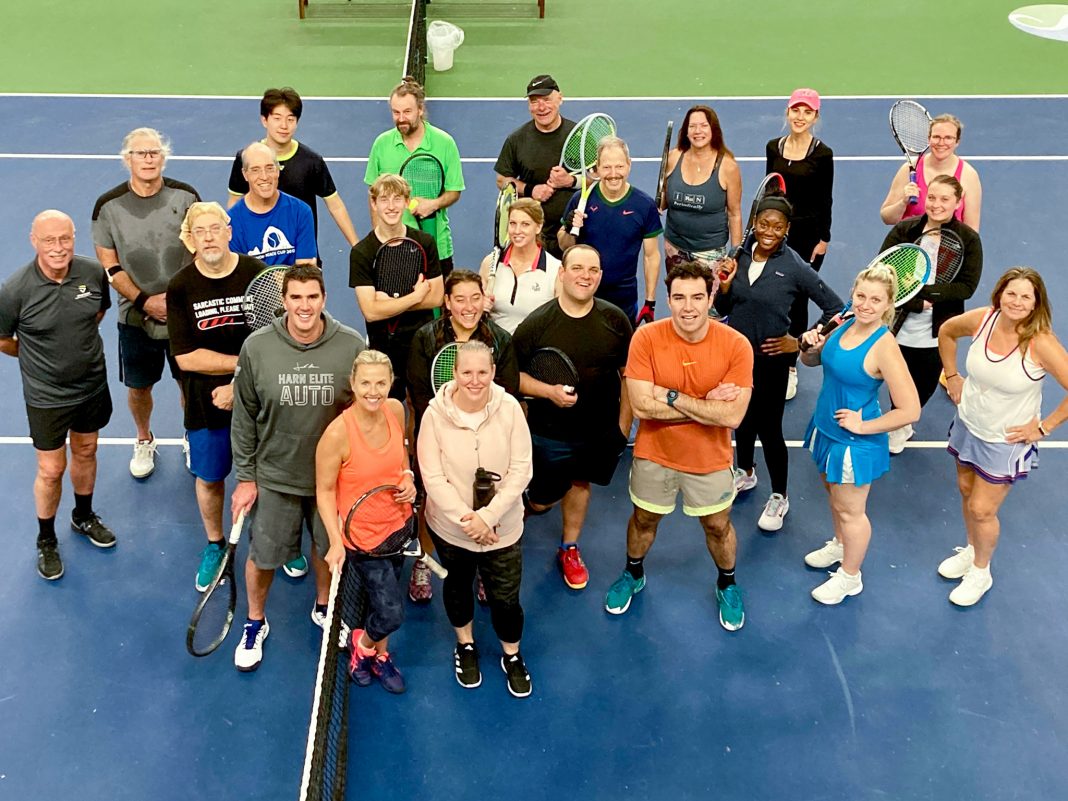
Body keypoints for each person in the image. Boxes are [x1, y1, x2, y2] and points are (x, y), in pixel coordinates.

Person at [230, 265, 366, 671]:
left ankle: (324, 608)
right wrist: (245, 477)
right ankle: (255, 622)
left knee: (328, 552)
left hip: (332, 479)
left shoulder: (351, 345)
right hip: (275, 476)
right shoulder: (256, 347)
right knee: (263, 557)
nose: (304, 306)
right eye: (296, 298)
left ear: (323, 299)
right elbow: (244, 417)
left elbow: (364, 413)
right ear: (284, 301)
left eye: (312, 297)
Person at [607, 261, 753, 630]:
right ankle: (633, 572)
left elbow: (732, 417)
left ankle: (727, 583)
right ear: (668, 300)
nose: (688, 307)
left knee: (718, 527)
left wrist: (670, 395)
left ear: (710, 298)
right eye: (679, 298)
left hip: (710, 459)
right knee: (643, 520)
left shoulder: (736, 345)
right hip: (655, 455)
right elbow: (641, 405)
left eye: (697, 298)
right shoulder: (646, 338)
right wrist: (707, 403)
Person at [936, 268, 1068, 606]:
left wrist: (1043, 427)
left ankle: (981, 571)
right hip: (969, 424)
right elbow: (947, 331)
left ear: (1037, 303)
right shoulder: (983, 320)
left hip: (1006, 441)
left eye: (1026, 296)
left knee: (982, 509)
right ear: (1000, 294)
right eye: (1012, 293)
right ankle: (971, 548)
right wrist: (952, 375)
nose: (1017, 301)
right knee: (966, 491)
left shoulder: (1041, 343)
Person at [715, 195, 842, 532]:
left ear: (787, 229)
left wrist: (799, 340)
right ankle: (745, 472)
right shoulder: (737, 256)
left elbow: (837, 310)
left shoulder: (796, 266)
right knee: (739, 417)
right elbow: (725, 305)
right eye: (763, 223)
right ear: (754, 223)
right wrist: (724, 285)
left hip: (772, 360)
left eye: (777, 226)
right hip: (736, 356)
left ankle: (779, 496)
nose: (768, 231)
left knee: (769, 429)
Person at [0, 210, 114, 580]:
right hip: (46, 396)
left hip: (91, 384)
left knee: (86, 450)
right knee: (51, 470)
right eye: (49, 240)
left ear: (74, 237)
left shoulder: (92, 273)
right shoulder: (14, 290)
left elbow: (95, 315)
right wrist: (40, 358)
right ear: (34, 241)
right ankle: (46, 539)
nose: (58, 247)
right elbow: (5, 340)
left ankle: (82, 516)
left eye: (64, 238)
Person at [416, 341, 534, 697]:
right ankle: (465, 644)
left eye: (482, 372)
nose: (474, 380)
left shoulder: (511, 408)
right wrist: (469, 520)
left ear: (493, 372)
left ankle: (511, 655)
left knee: (506, 600)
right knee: (457, 587)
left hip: (503, 530)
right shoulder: (433, 415)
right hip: (452, 531)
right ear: (454, 374)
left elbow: (521, 469)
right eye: (466, 372)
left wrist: (489, 517)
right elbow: (432, 478)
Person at [799, 264, 920, 605]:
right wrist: (809, 347)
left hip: (853, 441)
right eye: (861, 296)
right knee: (835, 496)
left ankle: (851, 577)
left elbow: (910, 410)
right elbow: (812, 362)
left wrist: (862, 426)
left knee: (852, 511)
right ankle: (840, 545)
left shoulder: (885, 347)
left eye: (875, 299)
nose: (866, 304)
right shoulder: (846, 322)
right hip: (826, 428)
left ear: (888, 304)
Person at [513, 245, 632, 589]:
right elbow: (513, 376)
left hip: (598, 431)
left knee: (580, 483)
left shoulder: (615, 320)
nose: (585, 275)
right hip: (549, 432)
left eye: (593, 270)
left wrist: (622, 428)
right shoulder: (536, 325)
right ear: (561, 274)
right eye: (577, 268)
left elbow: (630, 375)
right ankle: (526, 507)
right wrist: (548, 392)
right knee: (543, 497)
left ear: (600, 277)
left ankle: (569, 546)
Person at [92, 127, 200, 479]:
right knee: (140, 387)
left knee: (189, 382)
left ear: (163, 157)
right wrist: (144, 300)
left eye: (154, 152)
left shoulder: (186, 197)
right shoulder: (107, 206)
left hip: (185, 312)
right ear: (127, 160)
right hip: (134, 316)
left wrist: (175, 299)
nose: (148, 159)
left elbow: (202, 248)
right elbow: (110, 265)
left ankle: (191, 434)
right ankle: (143, 438)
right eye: (141, 153)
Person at [405, 270, 520, 603]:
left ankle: (485, 568)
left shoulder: (499, 340)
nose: (468, 307)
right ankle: (424, 562)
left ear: (484, 299)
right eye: (459, 299)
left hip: (488, 437)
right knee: (432, 499)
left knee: (486, 500)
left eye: (475, 298)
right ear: (447, 303)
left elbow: (508, 396)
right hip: (440, 435)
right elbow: (420, 397)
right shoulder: (426, 339)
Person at [166, 202, 264, 592]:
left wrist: (239, 385)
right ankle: (214, 543)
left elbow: (277, 341)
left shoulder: (257, 274)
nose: (208, 237)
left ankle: (279, 540)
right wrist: (243, 364)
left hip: (257, 397)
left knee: (269, 475)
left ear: (228, 231)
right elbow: (187, 357)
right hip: (207, 402)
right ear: (190, 240)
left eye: (214, 228)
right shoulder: (181, 286)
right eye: (199, 231)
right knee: (210, 477)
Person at [316, 350, 417, 694]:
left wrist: (407, 476)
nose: (373, 391)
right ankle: (362, 647)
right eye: (365, 383)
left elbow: (402, 453)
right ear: (353, 384)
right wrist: (333, 540)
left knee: (383, 601)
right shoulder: (337, 435)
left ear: (390, 383)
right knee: (391, 613)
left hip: (398, 528)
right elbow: (325, 490)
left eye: (380, 383)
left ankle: (380, 655)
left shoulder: (394, 410)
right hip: (362, 541)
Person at [879, 175, 983, 454]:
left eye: (944, 199)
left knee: (923, 384)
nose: (936, 205)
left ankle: (903, 420)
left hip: (938, 329)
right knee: (894, 377)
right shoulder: (905, 231)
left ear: (958, 203)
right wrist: (913, 302)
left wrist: (928, 293)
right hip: (898, 322)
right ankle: (897, 417)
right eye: (932, 197)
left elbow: (966, 287)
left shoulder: (968, 239)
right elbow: (884, 273)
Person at [765, 88, 835, 400]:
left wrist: (824, 238)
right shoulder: (773, 148)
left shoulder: (822, 154)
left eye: (807, 112)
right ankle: (768, 349)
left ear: (815, 117)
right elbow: (770, 192)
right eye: (796, 110)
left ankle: (790, 364)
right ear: (788, 112)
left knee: (797, 301)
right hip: (775, 232)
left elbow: (825, 198)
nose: (800, 117)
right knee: (771, 291)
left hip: (807, 238)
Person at [227, 87, 359, 253]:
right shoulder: (246, 158)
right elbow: (234, 203)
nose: (284, 126)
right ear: (264, 120)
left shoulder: (312, 161)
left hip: (303, 254)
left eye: (290, 119)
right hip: (260, 255)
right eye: (277, 118)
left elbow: (335, 205)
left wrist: (357, 247)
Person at [350, 174, 444, 402]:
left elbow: (437, 298)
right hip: (383, 345)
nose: (391, 207)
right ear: (374, 204)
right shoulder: (362, 252)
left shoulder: (425, 243)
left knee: (419, 406)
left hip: (421, 342)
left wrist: (386, 303)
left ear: (406, 202)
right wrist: (416, 296)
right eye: (384, 200)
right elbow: (370, 312)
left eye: (397, 199)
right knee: (387, 406)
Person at [365, 77, 464, 276]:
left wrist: (433, 204)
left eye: (407, 112)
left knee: (439, 303)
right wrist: (379, 238)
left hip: (437, 244)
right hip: (393, 244)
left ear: (420, 109)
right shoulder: (381, 144)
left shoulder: (444, 143)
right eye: (396, 112)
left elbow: (454, 191)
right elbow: (373, 195)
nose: (401, 118)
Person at [558, 136, 663, 324]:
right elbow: (565, 246)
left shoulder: (644, 205)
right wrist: (569, 227)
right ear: (597, 168)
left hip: (624, 301)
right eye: (606, 167)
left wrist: (650, 302)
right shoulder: (579, 200)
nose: (613, 174)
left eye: (619, 166)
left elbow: (651, 256)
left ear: (629, 165)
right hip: (583, 295)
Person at [494, 74, 577, 258]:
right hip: (535, 234)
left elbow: (596, 176)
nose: (541, 107)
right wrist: (531, 190)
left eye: (547, 99)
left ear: (560, 98)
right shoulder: (516, 139)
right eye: (534, 101)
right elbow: (502, 180)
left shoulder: (579, 137)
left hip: (573, 230)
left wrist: (570, 180)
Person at [661, 105, 742, 270]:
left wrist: (735, 254)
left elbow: (735, 214)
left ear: (713, 130)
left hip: (710, 253)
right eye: (692, 126)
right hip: (674, 248)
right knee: (678, 295)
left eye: (704, 125)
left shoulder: (727, 166)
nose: (698, 131)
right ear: (686, 131)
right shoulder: (673, 158)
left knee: (709, 296)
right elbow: (663, 200)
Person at [880, 113, 982, 231]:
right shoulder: (909, 169)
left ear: (957, 141)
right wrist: (903, 202)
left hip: (949, 247)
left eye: (948, 138)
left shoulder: (969, 175)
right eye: (936, 137)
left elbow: (972, 229)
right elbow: (887, 218)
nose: (941, 143)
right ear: (929, 139)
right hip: (909, 247)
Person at [478, 198, 560, 334]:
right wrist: (480, 305)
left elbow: (558, 323)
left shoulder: (556, 270)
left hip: (534, 349)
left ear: (538, 227)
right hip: (495, 346)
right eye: (512, 223)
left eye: (525, 224)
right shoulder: (490, 262)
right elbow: (473, 311)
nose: (517, 231)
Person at [229, 141, 318, 267]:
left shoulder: (301, 212)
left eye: (269, 168)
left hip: (294, 286)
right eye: (255, 170)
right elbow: (239, 275)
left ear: (277, 170)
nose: (264, 177)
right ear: (245, 174)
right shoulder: (232, 221)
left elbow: (305, 269)